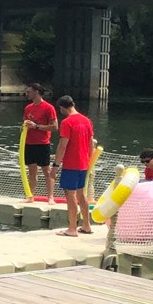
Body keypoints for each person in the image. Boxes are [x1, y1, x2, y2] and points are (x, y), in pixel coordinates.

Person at [52, 95, 95, 236]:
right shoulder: (86, 120)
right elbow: (90, 144)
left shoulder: (67, 122)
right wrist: (89, 161)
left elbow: (62, 145)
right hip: (84, 163)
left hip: (71, 163)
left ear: (62, 108)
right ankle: (87, 225)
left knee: (70, 195)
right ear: (73, 104)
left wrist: (56, 165)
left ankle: (72, 228)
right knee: (81, 194)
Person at [21, 83, 58, 203]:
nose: (27, 94)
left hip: (43, 143)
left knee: (47, 171)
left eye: (29, 92)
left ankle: (51, 197)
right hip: (29, 143)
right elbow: (25, 122)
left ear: (36, 92)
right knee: (32, 170)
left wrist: (37, 126)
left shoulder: (48, 108)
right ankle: (30, 196)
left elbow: (54, 127)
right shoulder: (28, 108)